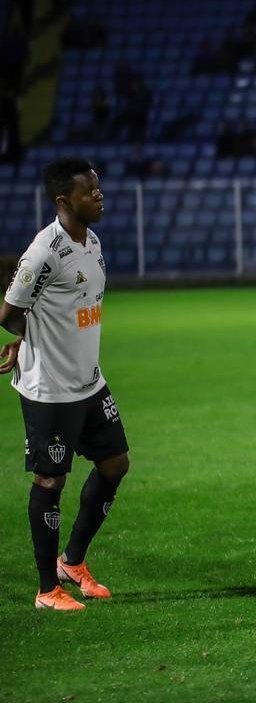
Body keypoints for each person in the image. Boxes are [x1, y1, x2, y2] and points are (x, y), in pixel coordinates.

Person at [0, 157, 129, 611]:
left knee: (115, 464)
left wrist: (27, 335)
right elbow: (10, 313)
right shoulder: (43, 252)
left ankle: (72, 562)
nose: (99, 195)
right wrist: (23, 341)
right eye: (88, 190)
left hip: (89, 382)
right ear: (63, 201)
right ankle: (45, 590)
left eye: (98, 187)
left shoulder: (90, 240)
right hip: (50, 389)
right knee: (50, 480)